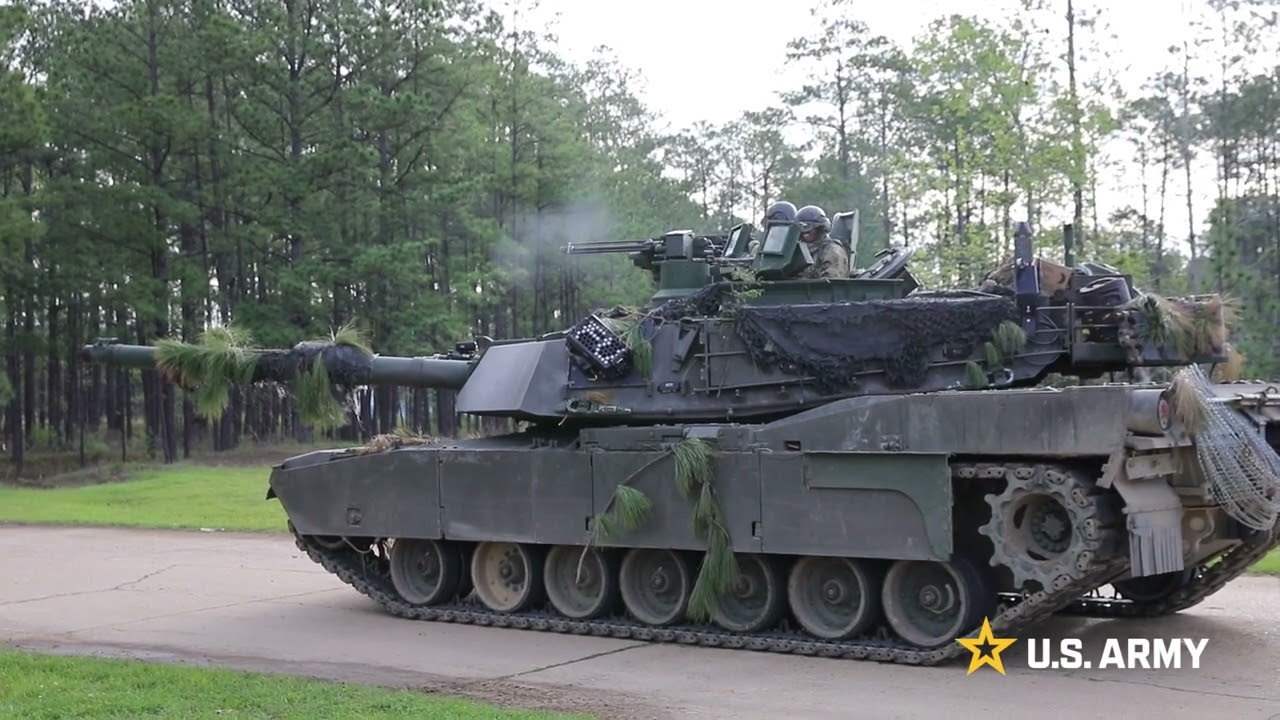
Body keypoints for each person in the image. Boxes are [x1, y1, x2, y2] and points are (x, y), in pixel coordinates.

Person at [794, 204, 849, 279]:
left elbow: (831, 280)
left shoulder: (833, 250)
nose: (805, 232)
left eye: (810, 228)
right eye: (801, 228)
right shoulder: (797, 250)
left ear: (821, 228)